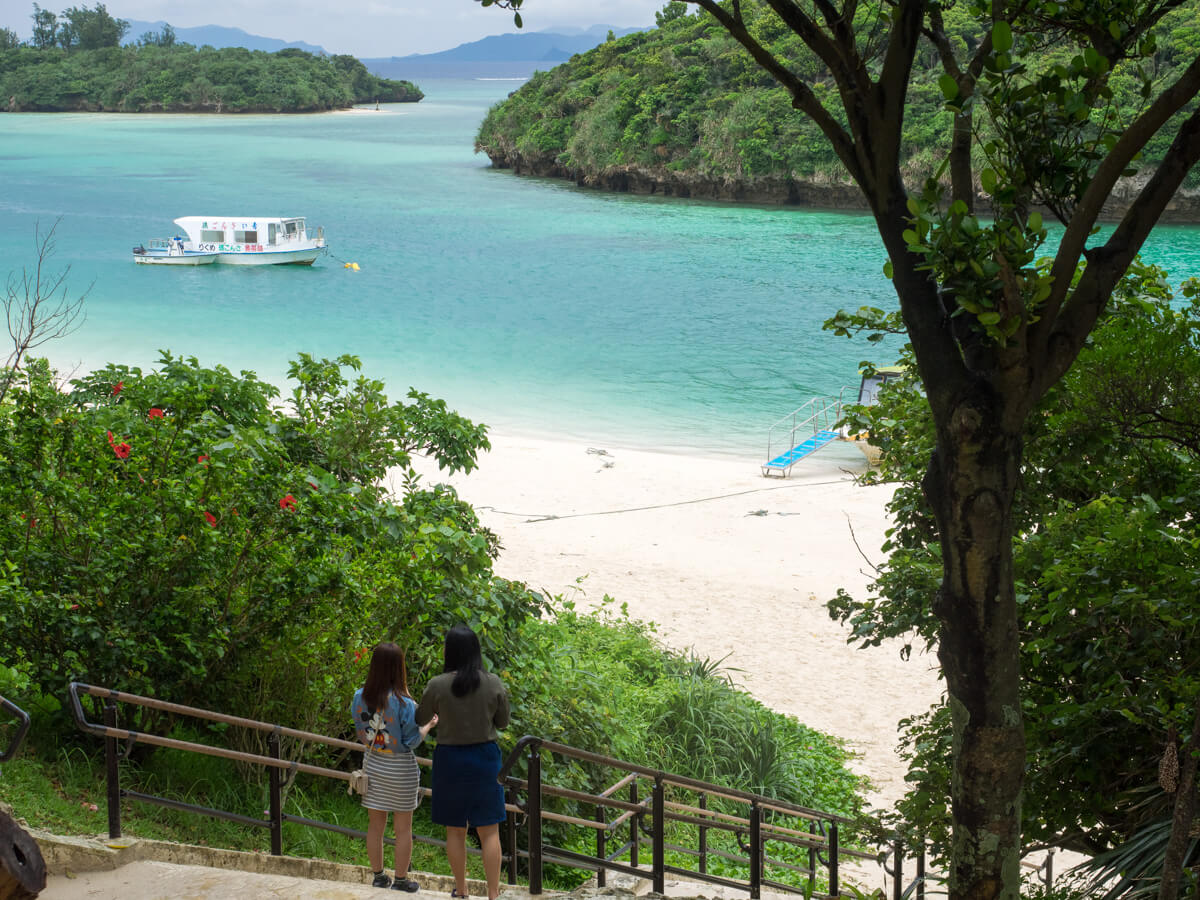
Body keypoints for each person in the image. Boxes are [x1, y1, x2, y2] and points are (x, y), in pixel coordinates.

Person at [416, 625, 510, 900]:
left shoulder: (437, 684)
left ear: (451, 651)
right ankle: (493, 894)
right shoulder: (492, 682)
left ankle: (462, 890)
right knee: (489, 831)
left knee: (455, 830)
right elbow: (502, 722)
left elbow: (421, 718)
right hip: (485, 760)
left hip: (450, 760)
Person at [352, 642, 437, 891]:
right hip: (401, 770)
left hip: (374, 765)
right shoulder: (405, 703)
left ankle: (378, 876)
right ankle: (400, 880)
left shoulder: (359, 697)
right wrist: (429, 725)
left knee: (375, 826)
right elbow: (411, 740)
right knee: (403, 829)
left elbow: (361, 734)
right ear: (399, 669)